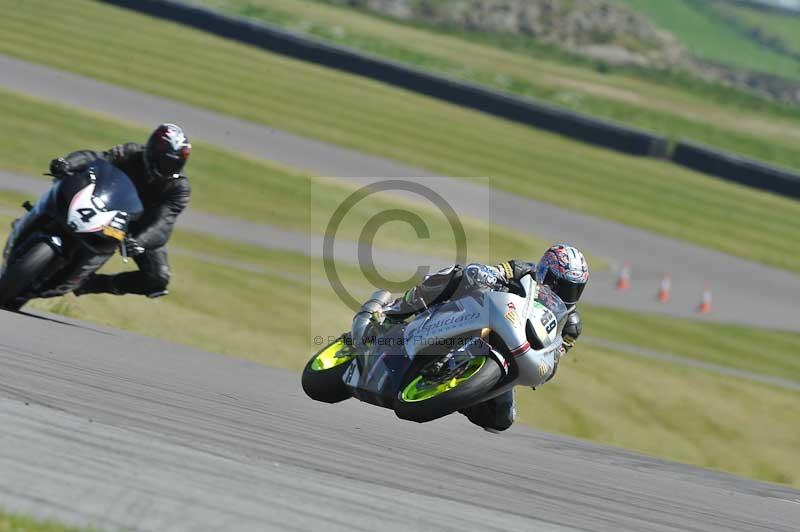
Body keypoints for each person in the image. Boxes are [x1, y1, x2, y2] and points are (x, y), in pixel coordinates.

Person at [384, 244, 589, 432]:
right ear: (545, 272)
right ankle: (398, 308)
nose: (566, 293)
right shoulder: (523, 270)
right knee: (457, 273)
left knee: (502, 420)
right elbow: (495, 271)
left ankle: (456, 397)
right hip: (481, 312)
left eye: (574, 289)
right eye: (561, 285)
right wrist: (488, 275)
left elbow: (555, 353)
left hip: (513, 350)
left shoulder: (571, 325)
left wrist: (545, 367)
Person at [48, 123, 192, 298]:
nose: (168, 168)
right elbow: (97, 158)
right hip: (106, 204)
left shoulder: (179, 187)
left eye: (175, 163)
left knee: (158, 278)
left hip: (138, 228)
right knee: (66, 189)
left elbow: (164, 222)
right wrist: (68, 163)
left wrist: (140, 241)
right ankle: (41, 221)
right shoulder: (131, 152)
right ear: (152, 151)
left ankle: (90, 283)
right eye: (165, 161)